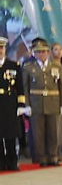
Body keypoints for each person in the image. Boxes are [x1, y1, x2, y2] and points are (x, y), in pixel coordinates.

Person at [24, 39, 62, 166]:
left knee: (53, 131)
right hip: (36, 103)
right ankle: (41, 157)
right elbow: (25, 88)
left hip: (53, 102)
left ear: (48, 53)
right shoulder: (28, 68)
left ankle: (53, 155)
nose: (41, 54)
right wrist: (26, 105)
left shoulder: (56, 66)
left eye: (44, 52)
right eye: (38, 52)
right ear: (34, 54)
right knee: (38, 132)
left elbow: (61, 86)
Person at [0, 36, 21, 170]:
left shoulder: (13, 66)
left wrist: (21, 105)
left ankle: (12, 162)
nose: (0, 50)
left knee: (11, 134)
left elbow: (20, 87)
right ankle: (1, 163)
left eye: (1, 48)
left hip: (9, 103)